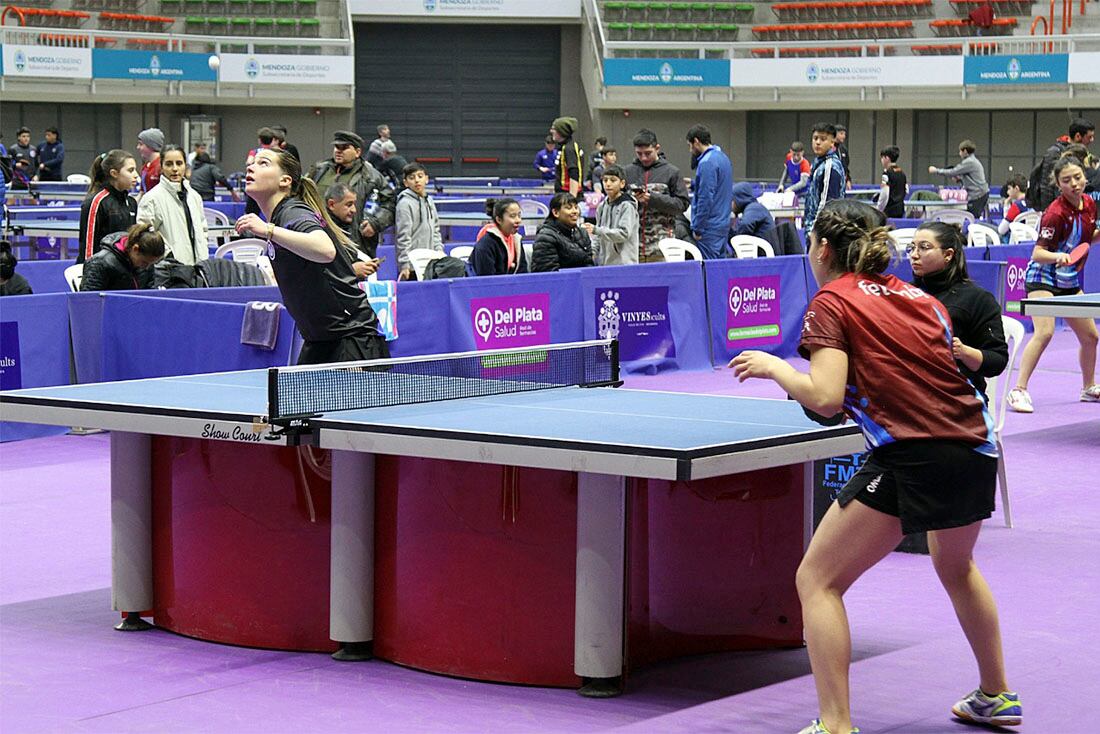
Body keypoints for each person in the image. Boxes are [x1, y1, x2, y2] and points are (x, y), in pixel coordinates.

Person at [731, 198, 1019, 734]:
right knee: (956, 567)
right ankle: (996, 694)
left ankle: (835, 724)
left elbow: (823, 395)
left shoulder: (830, 302)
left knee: (817, 580)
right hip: (977, 447)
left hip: (913, 455)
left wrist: (775, 368)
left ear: (820, 248)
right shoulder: (920, 298)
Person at [234, 148, 389, 365]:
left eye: (264, 163)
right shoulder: (280, 217)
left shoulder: (293, 213)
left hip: (351, 340)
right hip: (320, 340)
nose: (250, 166)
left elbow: (325, 250)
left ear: (285, 181)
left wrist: (268, 230)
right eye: (252, 163)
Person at [1006, 156, 1100, 412]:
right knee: (1045, 332)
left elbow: (1085, 240)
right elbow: (1038, 253)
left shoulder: (1090, 204)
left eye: (1078, 178)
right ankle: (1018, 390)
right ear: (1059, 184)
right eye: (1067, 180)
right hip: (1042, 277)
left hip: (1068, 278)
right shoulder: (1054, 213)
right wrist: (1057, 256)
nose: (1074, 184)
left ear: (1084, 176)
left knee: (1091, 337)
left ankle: (1089, 388)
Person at [909, 221, 1008, 403]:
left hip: (960, 400)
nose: (914, 255)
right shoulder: (906, 294)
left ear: (948, 255)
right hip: (910, 397)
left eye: (924, 248)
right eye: (912, 247)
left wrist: (963, 352)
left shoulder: (978, 299)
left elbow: (997, 361)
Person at [307, 130, 395, 258]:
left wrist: (376, 223)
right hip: (318, 235)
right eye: (337, 147)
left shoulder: (370, 175)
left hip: (353, 239)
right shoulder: (320, 169)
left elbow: (390, 202)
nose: (338, 151)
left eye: (344, 148)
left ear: (357, 152)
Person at [624, 128, 691, 263]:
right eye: (639, 154)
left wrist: (653, 199)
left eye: (648, 153)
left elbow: (682, 204)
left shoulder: (672, 172)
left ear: (657, 148)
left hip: (662, 246)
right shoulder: (627, 172)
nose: (643, 158)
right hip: (632, 247)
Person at [137, 144, 209, 266]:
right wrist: (168, 256)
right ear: (161, 167)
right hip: (168, 270)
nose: (175, 169)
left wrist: (203, 253)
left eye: (179, 163)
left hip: (199, 267)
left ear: (185, 166)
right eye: (169, 164)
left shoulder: (194, 196)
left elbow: (203, 229)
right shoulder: (151, 199)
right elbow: (145, 236)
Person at [78, 149, 139, 264]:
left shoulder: (131, 203)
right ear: (114, 173)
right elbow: (88, 248)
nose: (136, 175)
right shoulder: (96, 202)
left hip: (124, 272)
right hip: (100, 272)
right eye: (130, 170)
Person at [686, 124, 734, 259]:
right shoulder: (723, 157)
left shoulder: (706, 162)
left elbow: (705, 198)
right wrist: (695, 184)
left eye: (689, 145)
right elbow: (719, 185)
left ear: (696, 141)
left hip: (709, 228)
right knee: (719, 271)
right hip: (722, 224)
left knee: (709, 271)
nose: (690, 150)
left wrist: (698, 228)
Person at [80, 222, 164, 291]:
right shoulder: (99, 263)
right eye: (144, 262)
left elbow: (150, 294)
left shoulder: (147, 264)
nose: (147, 267)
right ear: (135, 249)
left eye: (151, 263)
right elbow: (88, 302)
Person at [394, 162, 443, 280]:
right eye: (411, 178)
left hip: (431, 262)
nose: (416, 180)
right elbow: (403, 236)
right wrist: (404, 265)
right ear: (405, 182)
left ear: (426, 179)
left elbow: (436, 230)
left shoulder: (429, 201)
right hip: (412, 265)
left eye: (420, 176)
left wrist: (439, 254)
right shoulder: (404, 204)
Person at [323, 183, 380, 282]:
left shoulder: (348, 226)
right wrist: (351, 271)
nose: (354, 210)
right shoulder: (320, 231)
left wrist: (365, 265)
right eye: (349, 205)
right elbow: (319, 271)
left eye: (354, 204)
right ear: (331, 204)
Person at [583, 165, 638, 266]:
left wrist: (596, 230)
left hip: (625, 264)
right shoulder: (601, 207)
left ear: (622, 183)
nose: (608, 184)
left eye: (613, 180)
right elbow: (597, 237)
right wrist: (592, 253)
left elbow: (624, 234)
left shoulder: (627, 205)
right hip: (605, 264)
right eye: (605, 180)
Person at [1035, 117, 1094, 211]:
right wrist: (1048, 210)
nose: (1092, 140)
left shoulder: (1081, 153)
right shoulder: (1054, 153)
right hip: (1058, 210)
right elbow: (1046, 186)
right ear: (1078, 136)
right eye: (1089, 137)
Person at [531, 192, 594, 272]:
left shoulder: (582, 233)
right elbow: (549, 273)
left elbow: (589, 264)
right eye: (569, 208)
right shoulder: (546, 236)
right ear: (555, 213)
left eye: (576, 207)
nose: (575, 211)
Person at [803, 122, 846, 233]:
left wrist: (815, 233)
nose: (817, 142)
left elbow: (827, 205)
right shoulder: (818, 162)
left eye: (823, 139)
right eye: (815, 138)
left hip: (821, 233)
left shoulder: (830, 166)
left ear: (832, 143)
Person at [929, 140, 990, 219]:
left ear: (965, 151)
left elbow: (953, 171)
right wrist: (959, 180)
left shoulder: (969, 162)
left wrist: (936, 170)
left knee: (971, 218)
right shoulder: (972, 161)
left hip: (978, 195)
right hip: (979, 194)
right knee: (971, 216)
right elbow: (971, 179)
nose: (959, 154)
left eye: (960, 151)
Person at [470, 198, 527, 276]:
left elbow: (523, 274)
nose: (518, 220)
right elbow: (487, 281)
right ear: (499, 220)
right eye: (513, 216)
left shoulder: (516, 240)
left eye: (519, 215)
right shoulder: (486, 245)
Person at [730, 181, 777, 247]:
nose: (730, 204)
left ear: (740, 199)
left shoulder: (754, 208)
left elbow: (745, 225)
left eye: (732, 200)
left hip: (763, 253)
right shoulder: (752, 208)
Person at [550, 117, 583, 196]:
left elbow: (574, 172)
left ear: (561, 131)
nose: (551, 131)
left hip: (566, 195)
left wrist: (572, 200)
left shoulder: (569, 148)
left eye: (554, 129)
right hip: (562, 194)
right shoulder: (563, 147)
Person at [877, 146, 908, 219]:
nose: (881, 160)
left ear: (887, 158)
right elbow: (906, 190)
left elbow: (885, 193)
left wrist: (879, 209)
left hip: (889, 211)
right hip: (900, 209)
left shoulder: (887, 173)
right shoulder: (901, 172)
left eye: (882, 158)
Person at [996, 174, 1031, 241]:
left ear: (1016, 189)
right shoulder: (1033, 203)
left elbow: (1002, 230)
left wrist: (1006, 206)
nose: (1007, 192)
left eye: (1009, 188)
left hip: (1013, 239)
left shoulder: (1016, 206)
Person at [136, 128, 164, 194]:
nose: (138, 147)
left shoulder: (162, 166)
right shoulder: (146, 167)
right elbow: (142, 193)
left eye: (141, 144)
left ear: (151, 146)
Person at [834, 124, 851, 189]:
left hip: (842, 182)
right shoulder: (829, 148)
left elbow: (846, 166)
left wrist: (848, 180)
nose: (844, 136)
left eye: (844, 134)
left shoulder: (843, 149)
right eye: (841, 134)